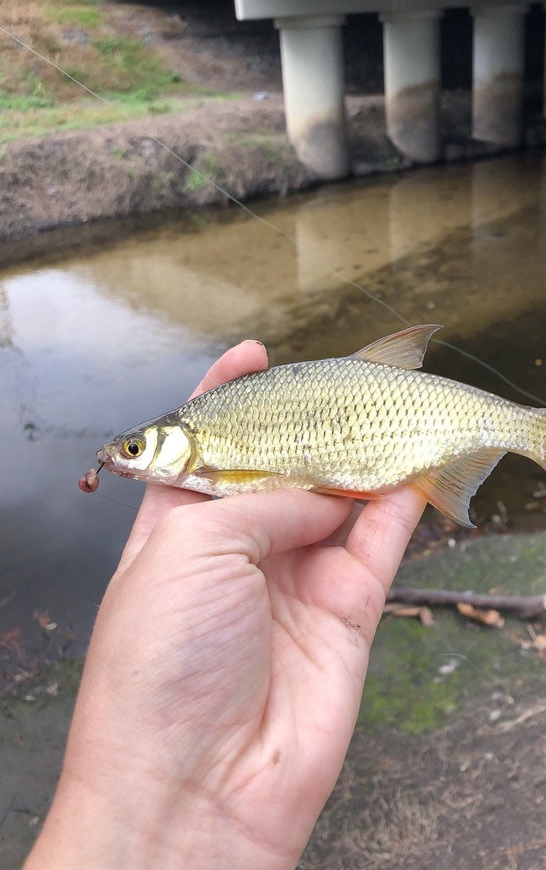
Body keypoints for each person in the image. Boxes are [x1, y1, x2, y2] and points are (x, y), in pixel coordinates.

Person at [24, 340, 426, 870]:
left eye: (134, 451)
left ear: (174, 443)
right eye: (130, 451)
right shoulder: (201, 436)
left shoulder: (203, 449)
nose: (125, 461)